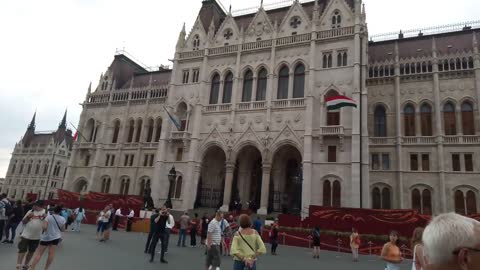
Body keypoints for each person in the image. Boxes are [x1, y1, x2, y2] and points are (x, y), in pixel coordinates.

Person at [30, 205, 66, 270]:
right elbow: (63, 229)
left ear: (54, 210)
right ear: (60, 211)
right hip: (56, 237)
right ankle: (46, 268)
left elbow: (44, 227)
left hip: (46, 237)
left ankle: (32, 268)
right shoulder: (63, 219)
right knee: (51, 254)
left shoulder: (48, 217)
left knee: (39, 254)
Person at [16, 200, 47, 270]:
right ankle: (19, 264)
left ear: (41, 206)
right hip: (26, 235)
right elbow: (23, 222)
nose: (34, 206)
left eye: (36, 205)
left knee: (31, 251)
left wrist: (46, 218)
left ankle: (26, 264)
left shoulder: (46, 213)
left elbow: (48, 225)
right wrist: (28, 217)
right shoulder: (30, 211)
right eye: (34, 205)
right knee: (22, 250)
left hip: (36, 236)